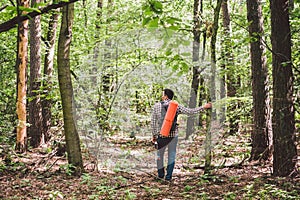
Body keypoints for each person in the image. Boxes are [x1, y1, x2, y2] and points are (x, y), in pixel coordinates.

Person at [151, 88, 212, 181]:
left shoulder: (157, 106)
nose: (162, 96)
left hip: (161, 135)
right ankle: (168, 177)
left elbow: (153, 122)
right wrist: (204, 107)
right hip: (173, 135)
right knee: (171, 155)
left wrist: (154, 135)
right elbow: (190, 111)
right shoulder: (176, 106)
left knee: (160, 155)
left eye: (163, 94)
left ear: (166, 96)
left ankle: (160, 175)